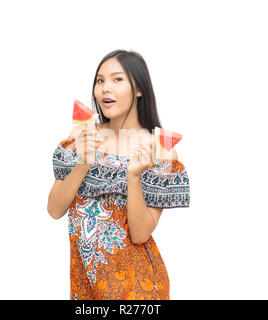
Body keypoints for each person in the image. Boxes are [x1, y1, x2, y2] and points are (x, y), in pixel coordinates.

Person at [47, 49, 190, 300]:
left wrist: (133, 177)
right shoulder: (82, 137)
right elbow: (54, 209)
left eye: (117, 79)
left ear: (139, 89)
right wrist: (83, 163)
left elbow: (140, 234)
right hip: (86, 288)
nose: (105, 89)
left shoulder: (159, 151)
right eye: (100, 80)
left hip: (138, 290)